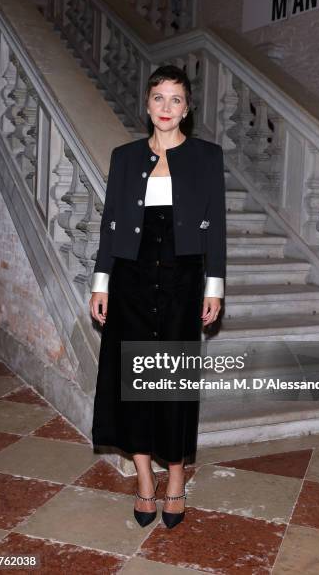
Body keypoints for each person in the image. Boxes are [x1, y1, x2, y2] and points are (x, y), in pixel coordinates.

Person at [89, 64, 226, 529]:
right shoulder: (125, 157)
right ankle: (144, 481)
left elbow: (217, 230)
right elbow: (110, 224)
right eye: (159, 98)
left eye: (176, 100)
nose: (166, 108)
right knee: (132, 383)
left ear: (187, 109)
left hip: (182, 281)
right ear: (146, 104)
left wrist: (214, 285)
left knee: (171, 384)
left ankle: (175, 480)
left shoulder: (207, 157)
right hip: (131, 276)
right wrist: (101, 283)